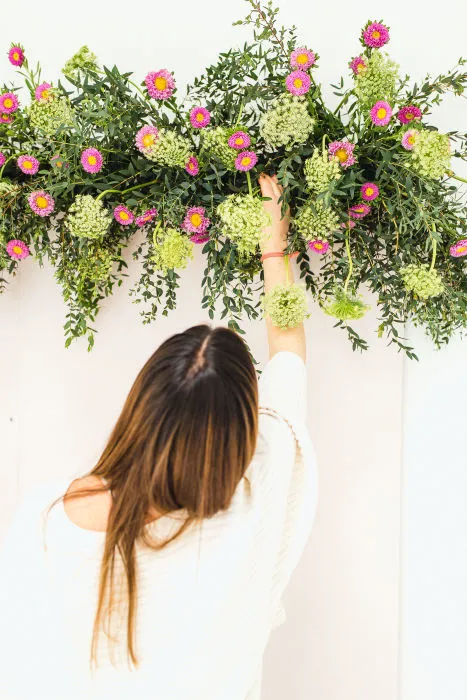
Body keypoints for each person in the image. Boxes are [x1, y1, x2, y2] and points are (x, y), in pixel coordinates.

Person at [0, 174, 318, 700]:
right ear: (243, 432)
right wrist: (273, 247)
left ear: (140, 406)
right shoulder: (258, 492)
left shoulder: (46, 520)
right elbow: (288, 351)